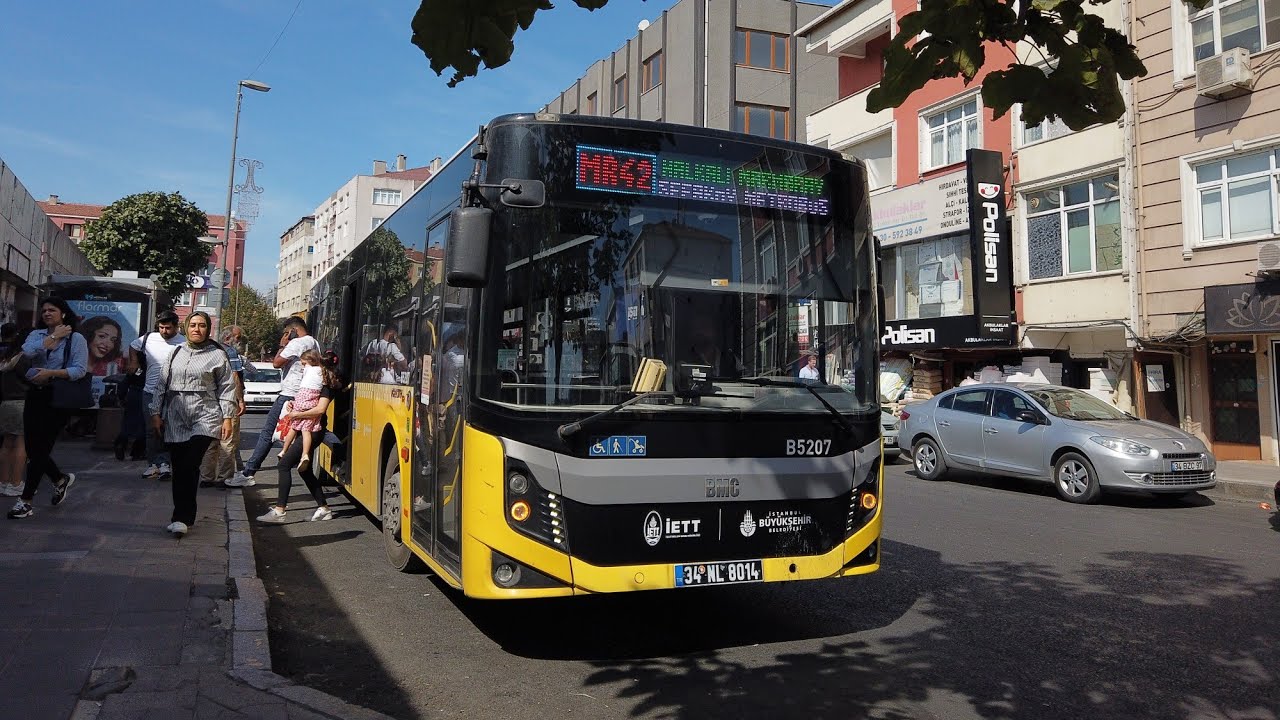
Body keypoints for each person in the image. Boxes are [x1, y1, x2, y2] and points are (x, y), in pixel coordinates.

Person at [150, 311, 237, 536]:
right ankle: (180, 516)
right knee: (180, 468)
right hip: (176, 413)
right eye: (193, 325)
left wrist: (227, 416)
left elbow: (227, 387)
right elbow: (162, 383)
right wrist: (155, 412)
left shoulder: (218, 355)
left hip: (205, 413)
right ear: (186, 328)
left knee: (190, 463)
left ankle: (184, 518)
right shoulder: (175, 352)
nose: (197, 329)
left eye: (202, 326)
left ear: (208, 329)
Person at [7, 297, 88, 520]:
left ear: (63, 313)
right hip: (35, 394)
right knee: (33, 449)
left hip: (58, 396)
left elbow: (79, 370)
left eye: (52, 310)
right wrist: (53, 337)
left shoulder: (77, 338)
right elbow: (27, 353)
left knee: (41, 449)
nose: (47, 313)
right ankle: (59, 479)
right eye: (44, 310)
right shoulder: (37, 335)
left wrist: (51, 373)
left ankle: (25, 501)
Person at [227, 316, 319, 487]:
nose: (285, 335)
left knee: (267, 434)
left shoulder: (296, 343)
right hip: (304, 394)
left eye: (287, 332)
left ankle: (248, 473)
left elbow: (277, 363)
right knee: (300, 435)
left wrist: (283, 344)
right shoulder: (314, 343)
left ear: (292, 330)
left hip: (289, 394)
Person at [257, 352, 342, 523]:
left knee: (284, 465)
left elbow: (320, 410)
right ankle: (324, 508)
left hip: (313, 430)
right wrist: (294, 406)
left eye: (305, 365)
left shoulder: (325, 383)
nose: (304, 368)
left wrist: (296, 415)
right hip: (307, 427)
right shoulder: (316, 380)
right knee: (305, 470)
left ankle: (280, 511)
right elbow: (306, 402)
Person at [130, 311, 185, 479]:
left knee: (167, 428)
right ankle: (152, 463)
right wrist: (134, 362)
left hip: (172, 393)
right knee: (151, 429)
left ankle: (164, 463)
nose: (164, 331)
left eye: (168, 328)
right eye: (161, 327)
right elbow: (133, 346)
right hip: (150, 391)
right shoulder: (148, 338)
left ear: (176, 327)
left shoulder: (183, 342)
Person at [199, 333, 247, 488]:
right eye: (238, 339)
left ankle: (207, 477)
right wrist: (240, 400)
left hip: (207, 402)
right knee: (227, 441)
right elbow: (234, 377)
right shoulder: (229, 352)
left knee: (209, 441)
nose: (240, 342)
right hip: (227, 401)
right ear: (229, 338)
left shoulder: (205, 350)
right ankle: (224, 478)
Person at [277, 350, 328, 472]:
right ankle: (305, 454)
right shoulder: (322, 372)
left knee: (293, 427)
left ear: (310, 361)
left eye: (304, 363)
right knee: (306, 431)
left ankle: (284, 450)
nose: (302, 366)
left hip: (301, 398)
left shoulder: (309, 369)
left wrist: (295, 407)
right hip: (311, 401)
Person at [0, 325, 32, 497]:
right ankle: (16, 483)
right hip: (21, 403)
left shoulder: (6, 357)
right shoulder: (23, 359)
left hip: (6, 403)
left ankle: (3, 482)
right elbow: (33, 379)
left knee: (6, 444)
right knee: (21, 444)